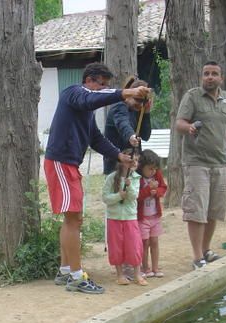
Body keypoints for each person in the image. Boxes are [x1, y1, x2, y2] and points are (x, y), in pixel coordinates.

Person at [45, 62, 151, 294]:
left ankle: (65, 271)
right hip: (61, 162)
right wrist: (126, 92)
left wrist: (120, 156)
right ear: (89, 80)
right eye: (101, 85)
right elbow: (90, 99)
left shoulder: (86, 112)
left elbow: (96, 139)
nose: (103, 91)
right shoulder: (73, 93)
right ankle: (76, 276)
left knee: (73, 219)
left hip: (69, 164)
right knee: (74, 219)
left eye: (106, 87)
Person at [175, 61, 226, 270]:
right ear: (201, 77)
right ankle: (197, 257)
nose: (210, 77)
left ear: (221, 78)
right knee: (197, 210)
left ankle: (206, 250)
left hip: (220, 163)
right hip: (196, 162)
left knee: (214, 210)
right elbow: (179, 123)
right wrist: (189, 128)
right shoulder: (193, 96)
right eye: (206, 74)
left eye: (214, 74)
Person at [102, 150, 148, 286]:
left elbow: (134, 196)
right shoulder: (111, 178)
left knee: (134, 245)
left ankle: (137, 274)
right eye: (131, 160)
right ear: (123, 161)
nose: (134, 163)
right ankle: (120, 274)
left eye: (136, 161)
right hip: (114, 218)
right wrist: (118, 196)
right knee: (116, 247)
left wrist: (129, 187)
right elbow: (105, 197)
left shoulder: (135, 178)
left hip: (130, 217)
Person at [103, 79, 152, 175]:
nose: (140, 104)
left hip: (133, 164)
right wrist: (131, 136)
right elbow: (122, 123)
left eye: (143, 101)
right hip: (116, 165)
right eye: (138, 100)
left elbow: (146, 136)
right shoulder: (119, 107)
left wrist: (146, 113)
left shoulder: (138, 110)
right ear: (129, 95)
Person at [136, 149, 168, 277]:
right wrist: (149, 190)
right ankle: (145, 268)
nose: (153, 171)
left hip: (155, 216)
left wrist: (157, 192)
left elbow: (163, 187)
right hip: (142, 217)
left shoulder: (157, 175)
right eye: (150, 169)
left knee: (154, 241)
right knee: (145, 243)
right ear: (142, 167)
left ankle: (155, 268)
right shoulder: (138, 179)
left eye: (155, 169)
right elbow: (137, 196)